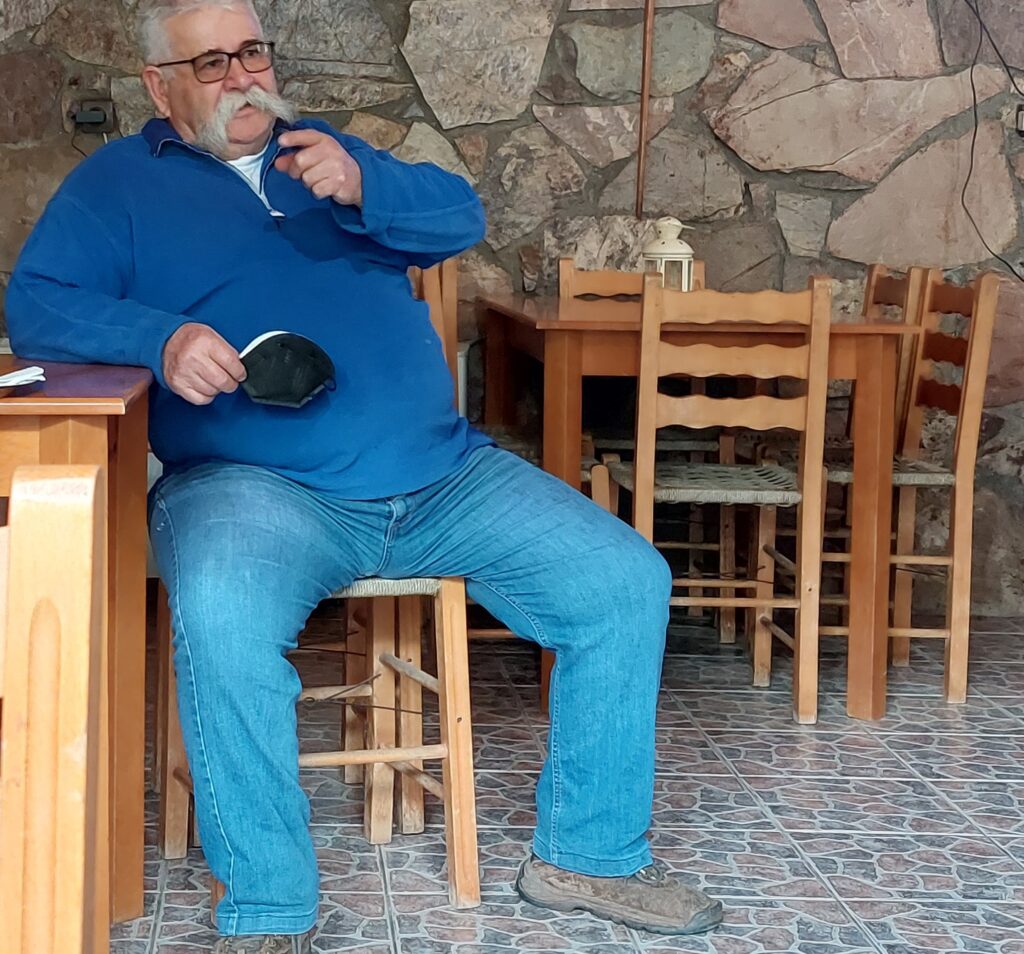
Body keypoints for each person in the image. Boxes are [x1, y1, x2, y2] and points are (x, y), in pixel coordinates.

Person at [6, 0, 723, 949]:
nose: (242, 77)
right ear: (159, 85)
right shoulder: (117, 184)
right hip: (250, 486)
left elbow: (460, 215)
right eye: (212, 63)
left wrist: (364, 183)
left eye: (253, 53)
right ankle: (269, 906)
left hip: (441, 476)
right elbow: (36, 304)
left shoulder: (326, 155)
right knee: (222, 615)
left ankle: (587, 858)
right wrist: (160, 338)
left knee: (624, 583)